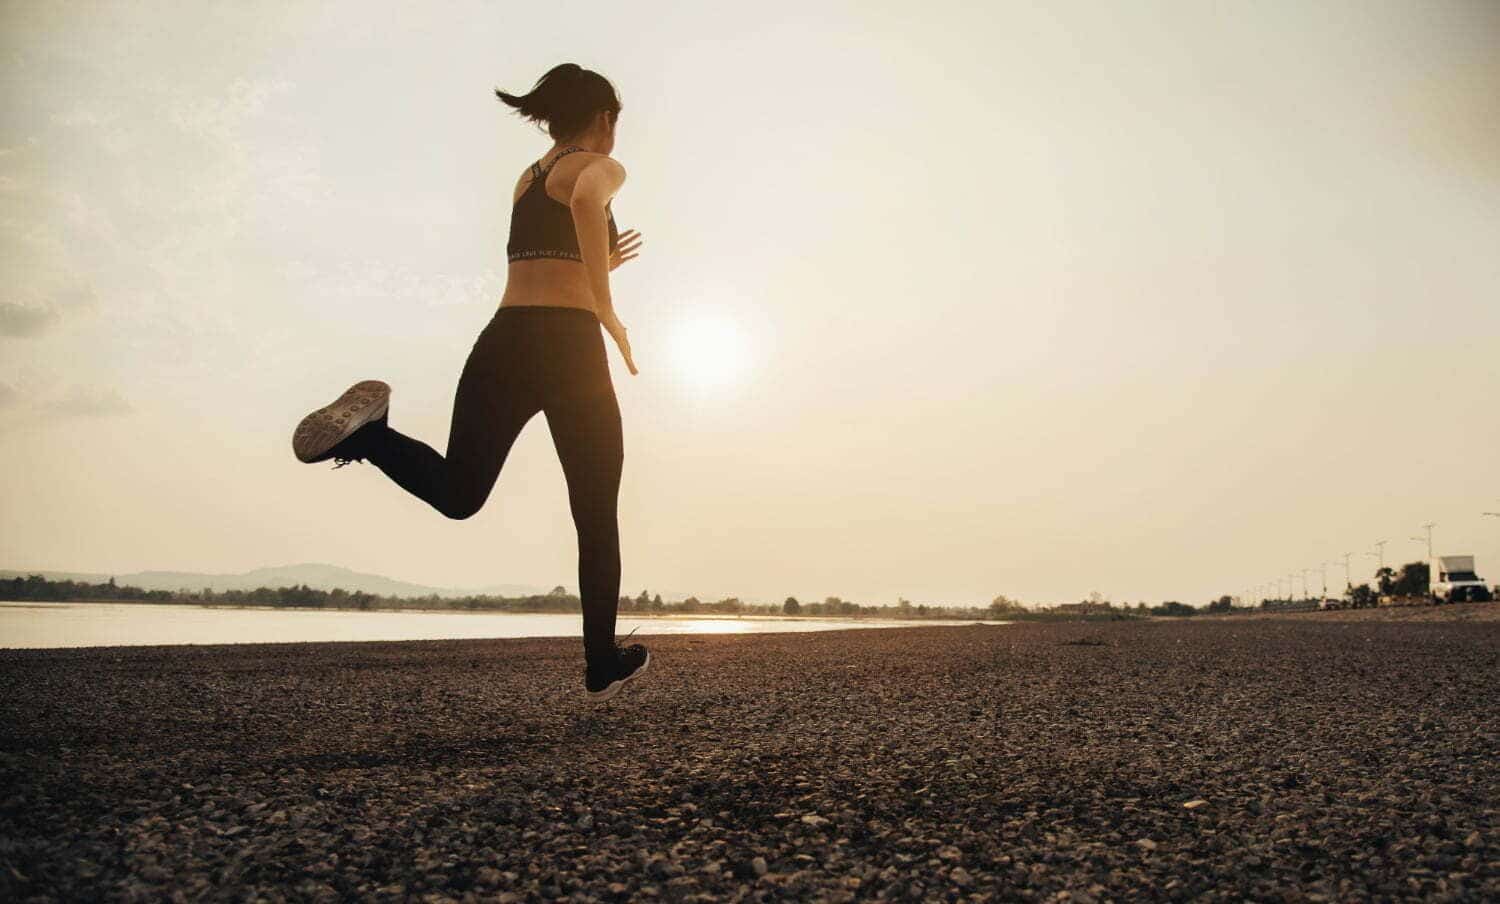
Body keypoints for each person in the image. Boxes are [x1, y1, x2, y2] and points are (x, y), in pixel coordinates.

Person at [291, 63, 648, 702]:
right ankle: (599, 659)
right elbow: (591, 202)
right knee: (596, 513)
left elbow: (549, 253)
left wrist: (599, 265)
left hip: (506, 340)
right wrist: (608, 309)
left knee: (460, 491)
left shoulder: (529, 178)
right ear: (604, 118)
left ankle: (371, 436)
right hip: (570, 349)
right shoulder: (599, 165)